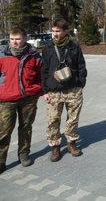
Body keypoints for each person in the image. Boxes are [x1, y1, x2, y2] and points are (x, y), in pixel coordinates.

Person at [41, 18, 87, 162]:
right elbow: (44, 70)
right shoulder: (48, 48)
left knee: (73, 119)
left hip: (73, 89)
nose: (54, 34)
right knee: (53, 119)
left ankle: (71, 143)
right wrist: (45, 91)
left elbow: (81, 66)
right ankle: (55, 147)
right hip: (54, 91)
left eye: (58, 31)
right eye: (53, 31)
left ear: (66, 31)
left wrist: (80, 84)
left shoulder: (74, 46)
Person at [0, 27, 42, 174]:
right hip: (6, 100)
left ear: (25, 39)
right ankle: (1, 160)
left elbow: (41, 75)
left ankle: (24, 154)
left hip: (28, 99)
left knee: (26, 128)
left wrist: (38, 89)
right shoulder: (2, 55)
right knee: (4, 131)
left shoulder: (34, 56)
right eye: (12, 39)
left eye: (17, 39)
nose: (14, 42)